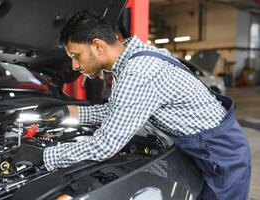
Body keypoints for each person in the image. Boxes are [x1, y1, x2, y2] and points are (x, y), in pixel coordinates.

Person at [14, 10, 251, 199]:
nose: (75, 66)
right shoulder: (136, 58)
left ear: (98, 46)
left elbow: (104, 146)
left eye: (76, 55)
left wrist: (45, 156)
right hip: (202, 147)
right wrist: (70, 111)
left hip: (219, 155)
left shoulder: (138, 72)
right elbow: (119, 111)